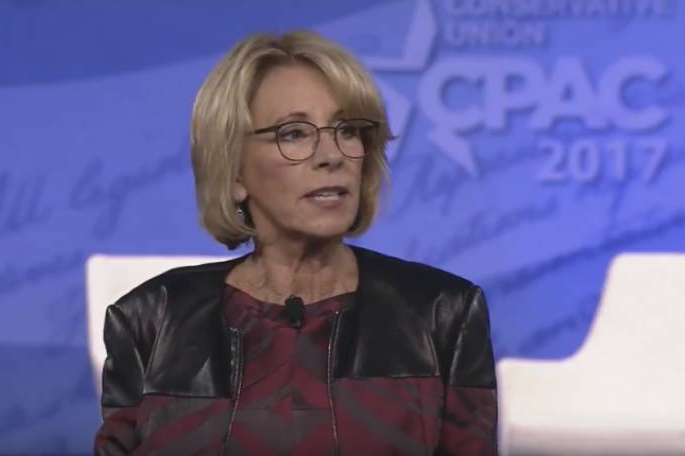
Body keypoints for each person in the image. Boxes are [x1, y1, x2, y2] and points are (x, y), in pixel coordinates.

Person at [94, 30, 498, 456]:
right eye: (294, 134)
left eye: (347, 129)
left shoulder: (442, 312)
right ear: (233, 173)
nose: (332, 155)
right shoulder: (153, 319)